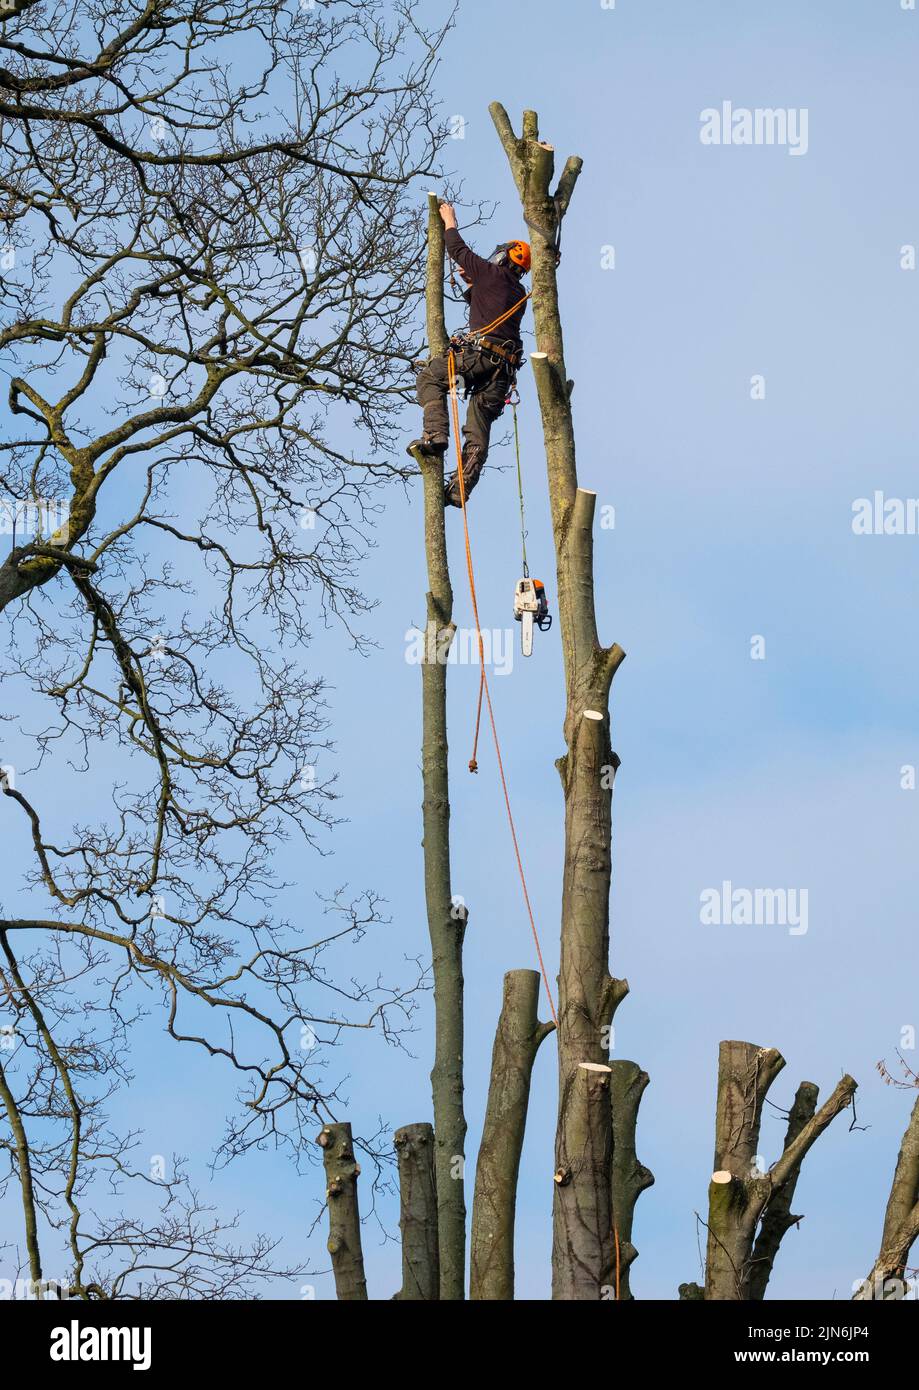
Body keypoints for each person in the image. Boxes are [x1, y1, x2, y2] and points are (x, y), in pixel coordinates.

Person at [408, 202, 530, 507]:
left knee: (429, 378)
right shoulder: (517, 293)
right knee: (478, 426)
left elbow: (458, 249)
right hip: (502, 373)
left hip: (481, 357)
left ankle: (436, 435)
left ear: (501, 257)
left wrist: (449, 219)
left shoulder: (490, 272)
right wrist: (473, 283)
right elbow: (489, 302)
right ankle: (461, 488)